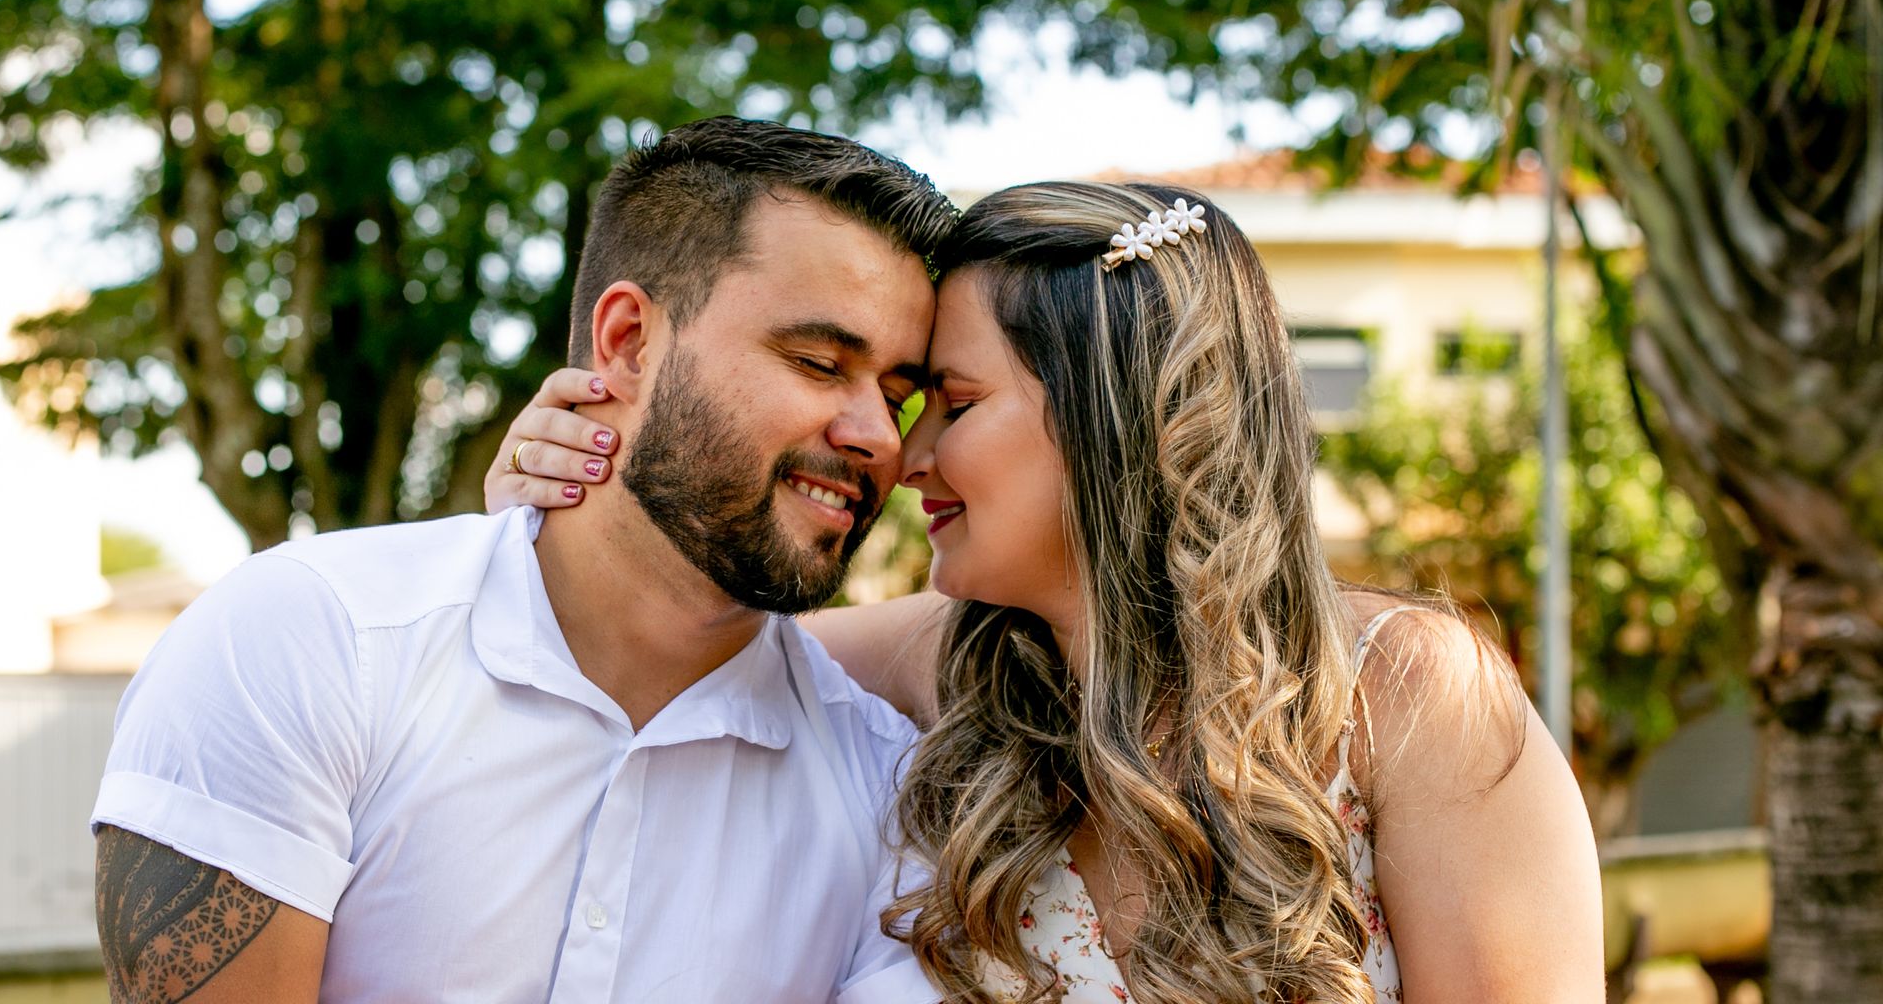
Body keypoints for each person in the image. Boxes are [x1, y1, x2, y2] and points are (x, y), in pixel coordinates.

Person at [495, 179, 1607, 1002]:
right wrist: (556, 509)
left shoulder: (1406, 695)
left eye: (953, 402)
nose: (905, 452)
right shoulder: (950, 662)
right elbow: (667, 636)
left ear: (1111, 421)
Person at [89, 117, 959, 1003]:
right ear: (627, 342)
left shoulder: (888, 792)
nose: (877, 442)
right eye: (818, 362)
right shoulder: (313, 640)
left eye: (897, 397)